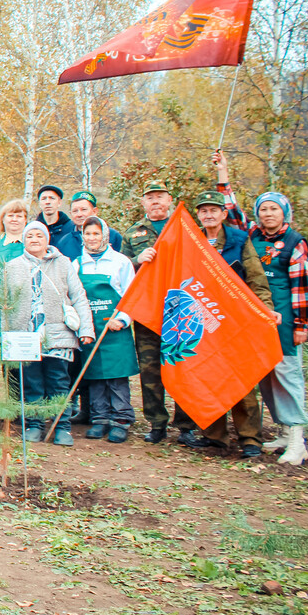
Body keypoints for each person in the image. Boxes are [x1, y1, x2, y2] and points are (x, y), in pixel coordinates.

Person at [217, 157, 308, 465]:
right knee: (266, 375)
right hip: (254, 319)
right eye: (263, 209)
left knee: (287, 374)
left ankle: (298, 440)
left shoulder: (295, 243)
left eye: (274, 209)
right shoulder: (252, 235)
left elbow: (302, 287)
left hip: (284, 319)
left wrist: (301, 325)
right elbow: (231, 211)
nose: (268, 214)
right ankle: (284, 432)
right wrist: (222, 174)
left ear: (284, 212)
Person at [190, 187, 272, 457]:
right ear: (198, 215)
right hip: (203, 320)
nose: (209, 215)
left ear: (223, 214)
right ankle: (214, 436)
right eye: (204, 211)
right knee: (208, 376)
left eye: (214, 210)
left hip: (236, 320)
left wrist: (266, 310)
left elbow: (256, 277)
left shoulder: (239, 239)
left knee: (241, 378)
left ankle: (250, 439)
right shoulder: (192, 240)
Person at [0, 221, 94, 446]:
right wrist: (5, 337)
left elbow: (78, 296)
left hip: (58, 334)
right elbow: (3, 304)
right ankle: (34, 424)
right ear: (24, 240)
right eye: (29, 235)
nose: (34, 239)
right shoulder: (12, 266)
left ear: (47, 239)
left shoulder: (63, 263)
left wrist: (86, 329)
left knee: (58, 382)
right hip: (25, 336)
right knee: (32, 383)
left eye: (39, 235)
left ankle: (62, 427)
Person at [121, 181, 183, 444]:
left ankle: (186, 425)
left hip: (181, 310)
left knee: (182, 366)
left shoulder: (183, 227)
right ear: (143, 203)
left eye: (160, 196)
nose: (155, 201)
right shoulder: (133, 233)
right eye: (150, 197)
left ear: (169, 200)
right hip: (148, 310)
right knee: (150, 370)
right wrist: (137, 260)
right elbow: (122, 267)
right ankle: (157, 423)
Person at [74, 216, 138, 445]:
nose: (92, 238)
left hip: (115, 329)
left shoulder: (120, 262)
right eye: (88, 234)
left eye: (96, 233)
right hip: (90, 329)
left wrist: (122, 319)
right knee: (95, 377)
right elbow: (73, 296)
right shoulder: (77, 264)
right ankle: (99, 418)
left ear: (105, 235)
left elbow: (132, 295)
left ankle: (120, 419)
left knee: (116, 376)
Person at [0, 198, 30, 273]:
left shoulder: (32, 244)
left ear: (25, 220)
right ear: (3, 219)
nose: (14, 219)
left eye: (19, 216)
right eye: (10, 216)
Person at [34, 184, 81, 260]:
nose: (47, 202)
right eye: (44, 199)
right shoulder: (33, 229)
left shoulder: (72, 228)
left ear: (59, 202)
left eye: (52, 198)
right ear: (39, 203)